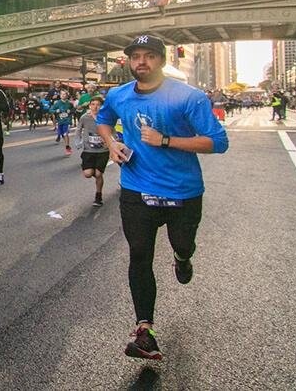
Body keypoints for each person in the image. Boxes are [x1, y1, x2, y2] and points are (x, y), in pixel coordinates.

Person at [96, 34, 228, 361]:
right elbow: (104, 122)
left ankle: (182, 257)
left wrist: (165, 140)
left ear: (162, 60)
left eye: (149, 55)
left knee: (183, 244)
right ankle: (145, 331)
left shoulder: (188, 97)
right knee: (139, 254)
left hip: (183, 191)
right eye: (135, 56)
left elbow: (218, 141)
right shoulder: (118, 95)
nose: (141, 61)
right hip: (136, 189)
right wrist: (112, 144)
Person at [74, 95, 108, 207]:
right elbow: (78, 130)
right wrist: (78, 142)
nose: (95, 107)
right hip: (89, 150)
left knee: (98, 174)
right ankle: (92, 168)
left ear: (102, 106)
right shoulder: (85, 117)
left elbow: (112, 129)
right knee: (88, 174)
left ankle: (98, 196)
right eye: (93, 104)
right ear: (89, 106)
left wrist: (111, 140)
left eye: (98, 105)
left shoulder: (106, 117)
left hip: (103, 150)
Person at [51, 90, 74, 155]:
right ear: (60, 95)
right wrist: (56, 111)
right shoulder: (57, 103)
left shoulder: (69, 103)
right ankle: (67, 145)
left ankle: (67, 147)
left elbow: (73, 110)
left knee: (65, 133)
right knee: (62, 134)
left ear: (67, 95)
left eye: (64, 94)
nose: (63, 95)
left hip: (67, 121)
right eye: (62, 94)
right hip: (60, 121)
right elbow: (51, 110)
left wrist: (70, 111)